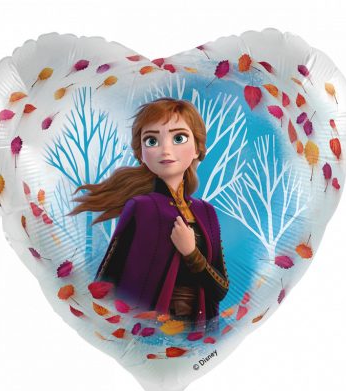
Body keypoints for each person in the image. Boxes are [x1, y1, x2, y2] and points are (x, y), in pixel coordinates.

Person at [68, 97, 229, 333]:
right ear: (141, 154)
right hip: (150, 329)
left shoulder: (206, 212)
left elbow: (221, 289)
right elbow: (108, 279)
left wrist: (191, 253)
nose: (166, 150)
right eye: (152, 140)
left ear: (197, 149)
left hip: (198, 329)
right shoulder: (141, 207)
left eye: (179, 138)